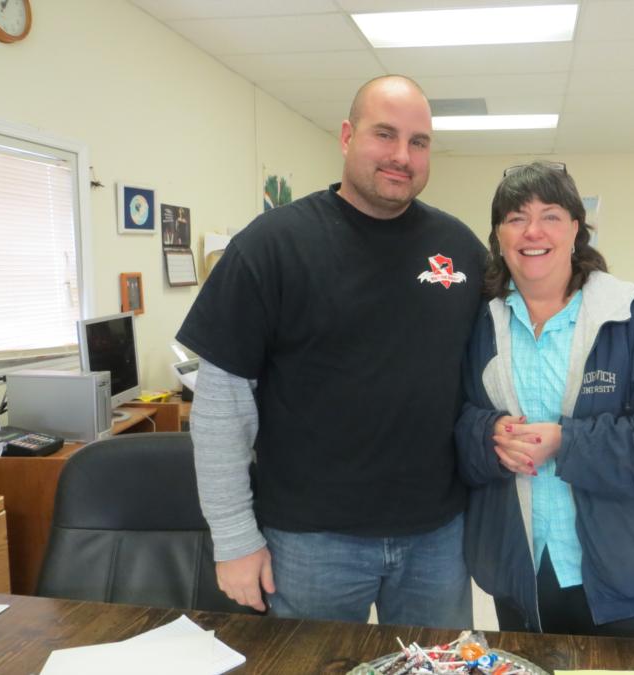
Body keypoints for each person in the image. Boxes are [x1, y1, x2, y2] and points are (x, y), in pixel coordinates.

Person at [176, 75, 486, 629]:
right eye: (384, 134)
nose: (402, 156)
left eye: (418, 142)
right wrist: (234, 538)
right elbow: (221, 409)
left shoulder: (459, 248)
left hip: (436, 536)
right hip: (310, 541)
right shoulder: (270, 246)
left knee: (438, 667)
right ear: (346, 136)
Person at [455, 161, 634, 639]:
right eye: (516, 218)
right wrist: (487, 435)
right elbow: (453, 420)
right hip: (519, 570)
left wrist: (566, 443)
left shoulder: (633, 317)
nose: (533, 231)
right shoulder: (477, 323)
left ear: (576, 229)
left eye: (550, 216)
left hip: (624, 573)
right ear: (498, 236)